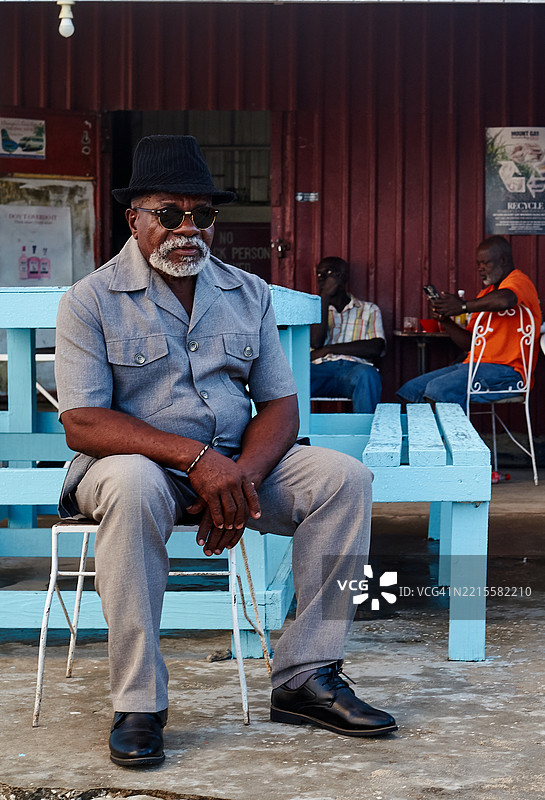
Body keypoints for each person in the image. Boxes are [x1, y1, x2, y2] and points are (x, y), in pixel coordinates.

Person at [54, 135, 397, 769]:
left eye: (202, 214)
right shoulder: (89, 300)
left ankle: (306, 676)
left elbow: (280, 406)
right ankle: (139, 702)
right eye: (169, 214)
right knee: (131, 483)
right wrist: (197, 461)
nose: (188, 229)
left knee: (345, 478)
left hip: (239, 464)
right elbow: (83, 422)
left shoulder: (248, 292)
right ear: (134, 219)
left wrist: (239, 479)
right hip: (135, 469)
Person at [397, 236, 541, 411]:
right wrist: (445, 320)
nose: (480, 268)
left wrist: (463, 306)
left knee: (438, 389)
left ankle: (452, 430)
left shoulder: (519, 281)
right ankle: (428, 430)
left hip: (509, 372)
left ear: (503, 260)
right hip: (474, 366)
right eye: (478, 264)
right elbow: (470, 343)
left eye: (485, 263)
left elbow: (505, 300)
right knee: (411, 391)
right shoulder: (485, 296)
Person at [310, 257, 385, 413]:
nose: (321, 278)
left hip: (354, 369)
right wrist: (324, 298)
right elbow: (316, 342)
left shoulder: (369, 309)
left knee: (368, 376)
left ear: (342, 276)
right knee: (290, 379)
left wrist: (329, 349)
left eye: (327, 273)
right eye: (319, 274)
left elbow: (376, 347)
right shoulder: (312, 310)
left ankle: (365, 429)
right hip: (319, 369)